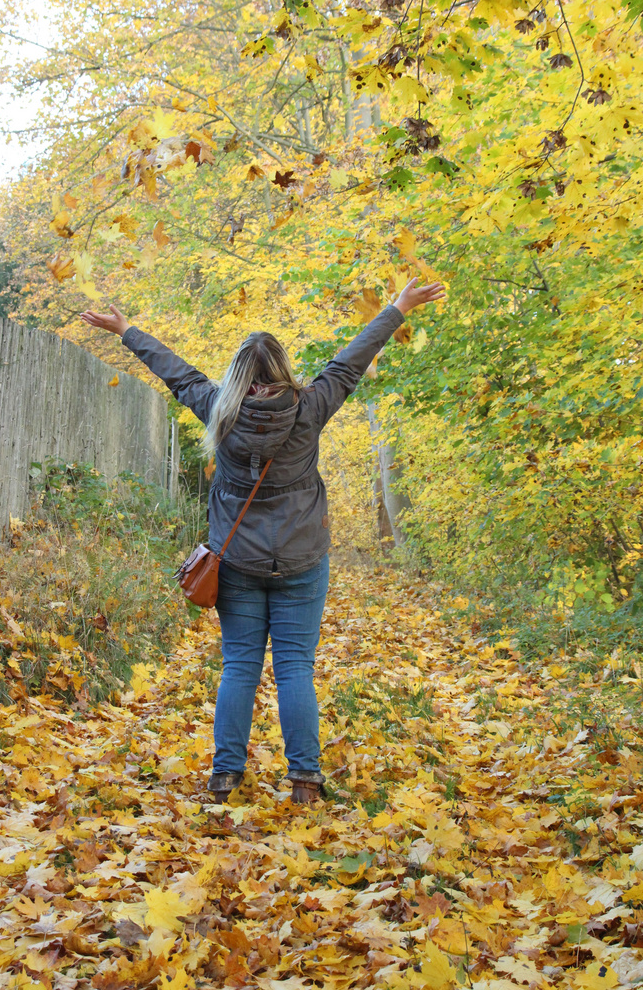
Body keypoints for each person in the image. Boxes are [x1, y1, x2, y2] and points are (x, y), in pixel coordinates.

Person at [80, 276, 445, 803]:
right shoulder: (310, 407)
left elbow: (176, 374)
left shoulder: (218, 409)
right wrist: (397, 308)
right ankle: (304, 782)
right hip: (301, 560)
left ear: (238, 375)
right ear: (282, 371)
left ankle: (225, 776)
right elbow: (350, 361)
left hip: (239, 563)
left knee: (240, 667)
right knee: (295, 667)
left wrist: (126, 330)